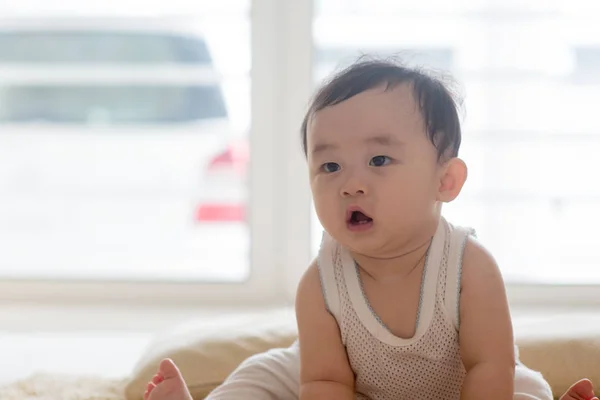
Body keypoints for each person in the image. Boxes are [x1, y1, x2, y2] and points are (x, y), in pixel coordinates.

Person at [143, 59, 598, 400]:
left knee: (520, 389)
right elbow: (325, 380)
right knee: (259, 378)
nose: (350, 184)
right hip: (349, 385)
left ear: (445, 181)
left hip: (463, 384)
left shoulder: (468, 268)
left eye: (379, 160)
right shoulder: (320, 283)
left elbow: (487, 364)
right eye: (330, 165)